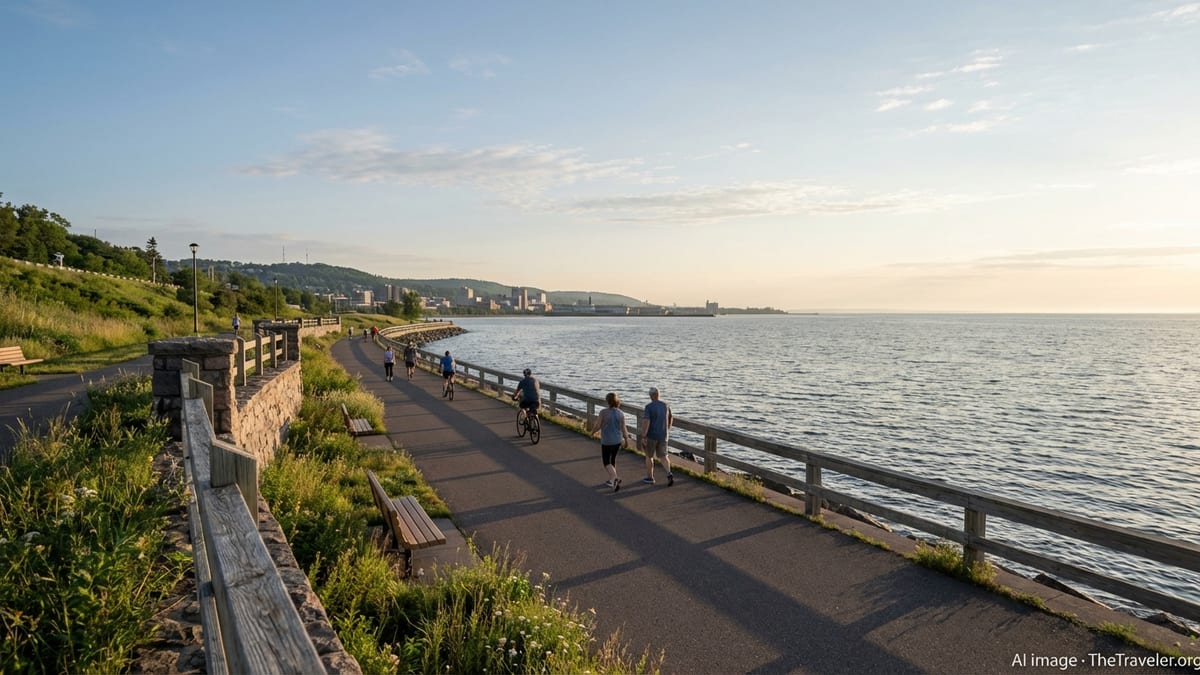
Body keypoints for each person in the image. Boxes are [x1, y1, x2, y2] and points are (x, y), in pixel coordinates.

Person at [591, 392, 629, 492]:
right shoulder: (621, 413)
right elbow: (624, 428)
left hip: (607, 440)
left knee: (606, 462)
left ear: (607, 401)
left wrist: (593, 432)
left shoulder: (603, 412)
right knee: (613, 460)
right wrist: (626, 439)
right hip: (617, 440)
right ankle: (612, 480)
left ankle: (615, 478)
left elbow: (598, 425)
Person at [639, 387, 674, 485]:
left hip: (651, 435)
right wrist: (667, 429)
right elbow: (671, 417)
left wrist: (644, 436)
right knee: (663, 456)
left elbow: (646, 421)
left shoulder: (649, 407)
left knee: (649, 456)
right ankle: (669, 472)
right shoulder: (666, 405)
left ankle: (650, 477)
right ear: (658, 394)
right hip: (663, 435)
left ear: (651, 396)